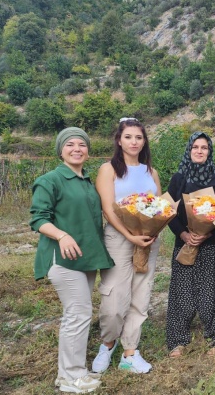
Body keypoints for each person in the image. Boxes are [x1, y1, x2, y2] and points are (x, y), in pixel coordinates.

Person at [30, 127, 114, 394]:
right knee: (77, 314)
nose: (77, 148)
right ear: (60, 150)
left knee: (78, 314)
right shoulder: (51, 179)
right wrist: (62, 235)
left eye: (82, 144)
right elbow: (38, 218)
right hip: (62, 258)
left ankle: (73, 371)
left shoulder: (87, 182)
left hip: (85, 258)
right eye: (70, 144)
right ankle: (69, 377)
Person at [92, 118, 162, 374]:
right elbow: (109, 209)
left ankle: (130, 352)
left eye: (139, 137)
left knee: (141, 295)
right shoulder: (108, 169)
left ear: (144, 142)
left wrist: (153, 231)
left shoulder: (150, 172)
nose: (134, 142)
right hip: (119, 238)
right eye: (129, 137)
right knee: (114, 296)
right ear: (119, 140)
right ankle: (107, 344)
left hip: (147, 239)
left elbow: (159, 208)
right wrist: (129, 235)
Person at [165, 132, 215, 358]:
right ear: (189, 150)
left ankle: (213, 338)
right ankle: (178, 340)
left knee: (212, 291)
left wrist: (206, 233)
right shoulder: (178, 178)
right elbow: (169, 212)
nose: (200, 151)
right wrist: (184, 234)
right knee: (181, 291)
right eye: (196, 147)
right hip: (185, 244)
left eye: (204, 147)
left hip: (212, 245)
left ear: (209, 151)